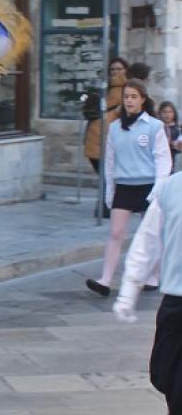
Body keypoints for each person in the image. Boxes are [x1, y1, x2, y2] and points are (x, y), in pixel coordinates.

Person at [86, 79, 171, 297]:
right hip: (124, 186)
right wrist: (109, 191)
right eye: (126, 97)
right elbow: (110, 162)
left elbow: (163, 160)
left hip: (148, 186)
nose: (129, 101)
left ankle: (153, 276)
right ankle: (105, 281)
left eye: (134, 96)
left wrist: (158, 188)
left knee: (151, 234)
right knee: (116, 233)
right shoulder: (115, 128)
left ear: (142, 99)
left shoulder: (154, 126)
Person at [113, 172, 182, 413]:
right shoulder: (170, 188)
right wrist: (129, 291)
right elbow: (147, 242)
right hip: (177, 302)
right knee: (165, 373)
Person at [84, 58, 128, 218]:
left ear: (126, 70)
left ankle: (106, 206)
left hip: (109, 136)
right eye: (113, 69)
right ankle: (105, 206)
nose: (116, 72)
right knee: (107, 174)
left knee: (108, 175)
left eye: (119, 69)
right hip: (98, 135)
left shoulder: (127, 89)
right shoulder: (105, 87)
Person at [159, 101, 181, 172]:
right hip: (157, 162)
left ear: (174, 113)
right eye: (164, 112)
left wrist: (176, 145)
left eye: (170, 112)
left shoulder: (177, 129)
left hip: (171, 164)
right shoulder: (157, 128)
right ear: (160, 113)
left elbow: (178, 149)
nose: (167, 115)